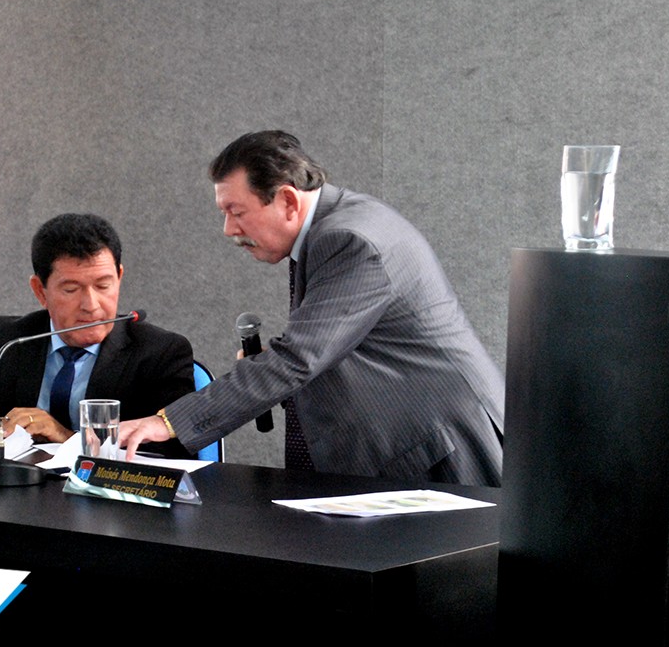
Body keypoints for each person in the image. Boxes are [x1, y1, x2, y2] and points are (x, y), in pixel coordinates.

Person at [120, 131, 505, 485]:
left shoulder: (349, 240)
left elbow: (297, 359)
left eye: (237, 212)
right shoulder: (336, 227)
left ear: (288, 200)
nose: (229, 229)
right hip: (414, 451)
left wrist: (168, 423)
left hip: (442, 455)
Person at [0, 213, 194, 457]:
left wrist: (67, 438)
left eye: (103, 285)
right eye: (71, 289)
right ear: (40, 291)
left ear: (120, 277)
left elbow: (175, 452)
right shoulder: (10, 341)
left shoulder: (159, 351)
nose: (91, 305)